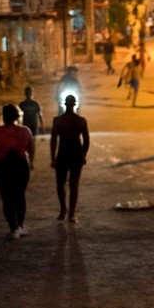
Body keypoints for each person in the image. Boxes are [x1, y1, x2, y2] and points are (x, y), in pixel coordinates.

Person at [0, 103, 34, 240]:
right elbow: (31, 149)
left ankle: (13, 228)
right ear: (17, 116)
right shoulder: (25, 131)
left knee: (7, 198)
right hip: (20, 164)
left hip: (3, 165)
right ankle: (20, 225)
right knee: (19, 195)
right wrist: (32, 163)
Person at [50, 94, 90, 223]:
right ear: (75, 105)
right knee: (73, 185)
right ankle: (70, 213)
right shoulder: (81, 121)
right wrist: (83, 155)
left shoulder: (58, 120)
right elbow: (86, 141)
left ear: (64, 104)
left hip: (64, 153)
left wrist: (53, 157)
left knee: (61, 184)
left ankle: (65, 210)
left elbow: (53, 141)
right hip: (75, 153)